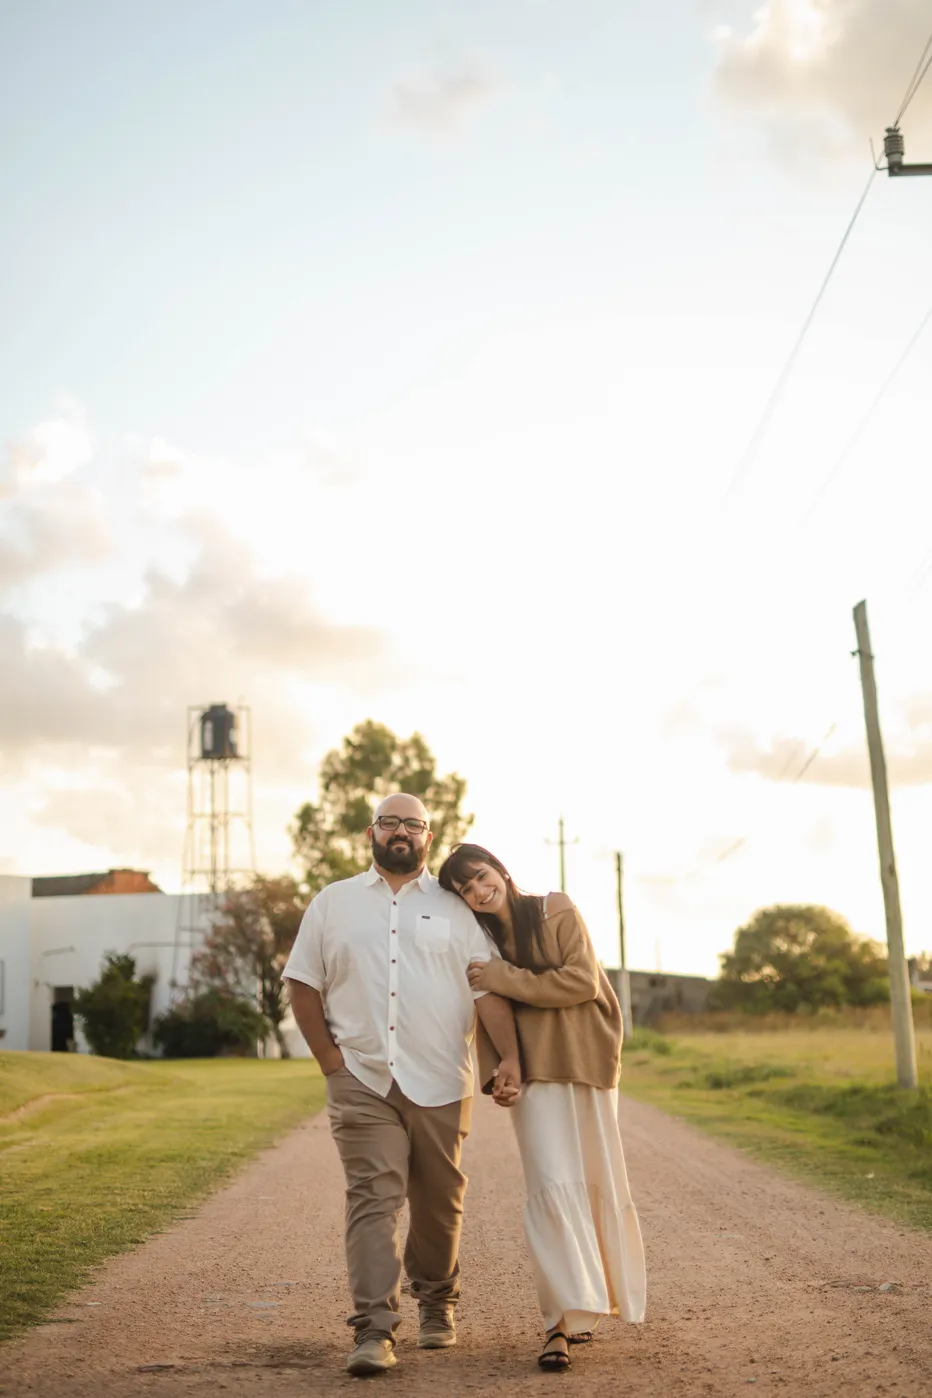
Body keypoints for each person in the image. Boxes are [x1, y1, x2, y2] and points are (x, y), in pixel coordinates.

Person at [284, 796, 520, 1378]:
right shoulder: (332, 903)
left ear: (428, 836)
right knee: (374, 1196)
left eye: (412, 824)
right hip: (361, 1077)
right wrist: (329, 1062)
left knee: (439, 1203)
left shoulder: (456, 908)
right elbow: (302, 984)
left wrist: (510, 1056)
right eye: (389, 822)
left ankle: (438, 1300)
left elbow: (487, 988)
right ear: (371, 832)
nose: (400, 832)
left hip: (441, 1077)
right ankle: (374, 1328)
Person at [438, 842, 646, 1371]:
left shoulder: (555, 908)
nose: (478, 893)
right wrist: (496, 1073)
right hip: (532, 1074)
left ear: (502, 872)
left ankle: (591, 1300)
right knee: (550, 1184)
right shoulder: (479, 939)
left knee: (595, 1177)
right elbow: (486, 1009)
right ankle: (558, 1322)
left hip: (588, 1063)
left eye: (482, 878)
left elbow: (580, 980)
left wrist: (504, 976)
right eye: (466, 890)